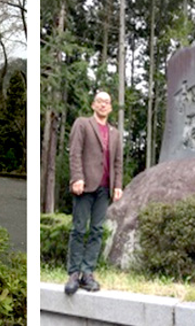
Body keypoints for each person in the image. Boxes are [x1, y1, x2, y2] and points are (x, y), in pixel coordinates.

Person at [65, 91, 123, 295]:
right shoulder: (82, 124)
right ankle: (73, 274)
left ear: (111, 107)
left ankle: (87, 273)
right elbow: (75, 152)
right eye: (100, 101)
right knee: (79, 229)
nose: (103, 105)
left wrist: (117, 185)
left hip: (104, 188)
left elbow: (117, 161)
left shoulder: (114, 133)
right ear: (93, 105)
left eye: (107, 102)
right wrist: (76, 177)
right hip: (85, 184)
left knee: (97, 230)